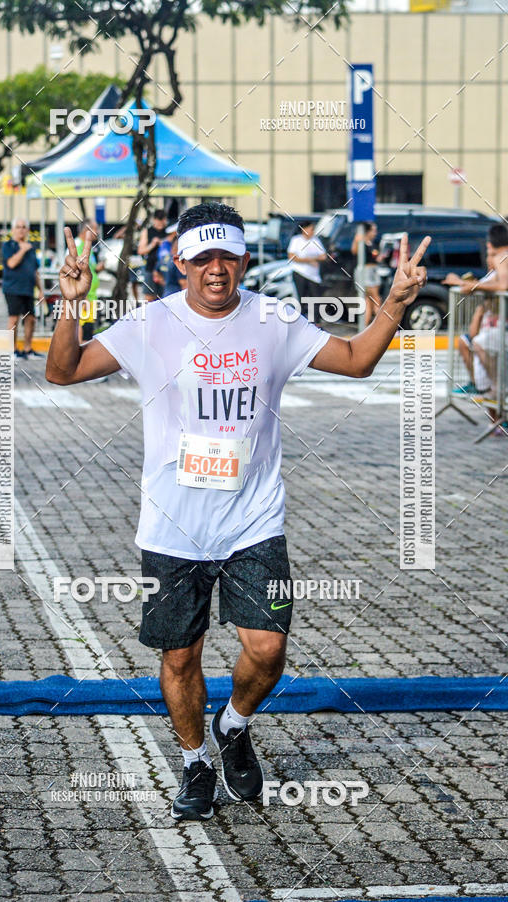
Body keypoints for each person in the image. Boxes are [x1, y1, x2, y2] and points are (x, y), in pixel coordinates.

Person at [46, 203, 429, 822]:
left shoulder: (274, 320)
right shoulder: (150, 323)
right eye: (203, 259)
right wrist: (71, 303)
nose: (216, 270)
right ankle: (196, 761)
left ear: (245, 260)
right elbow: (61, 371)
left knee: (268, 648)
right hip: (173, 525)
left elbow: (357, 359)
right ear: (180, 263)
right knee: (179, 657)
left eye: (227, 257)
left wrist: (396, 303)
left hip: (254, 521)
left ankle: (233, 724)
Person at [444, 222, 508, 396]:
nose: (489, 261)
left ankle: (499, 391)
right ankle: (494, 395)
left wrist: (467, 285)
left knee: (479, 344)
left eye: (489, 255)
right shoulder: (499, 263)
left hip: (497, 332)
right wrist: (465, 284)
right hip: (491, 330)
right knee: (471, 342)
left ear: (490, 245)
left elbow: (502, 285)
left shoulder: (502, 256)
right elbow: (493, 283)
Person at [2, 217, 45, 359]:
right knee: (14, 319)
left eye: (24, 227)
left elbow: (35, 271)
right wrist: (22, 250)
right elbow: (12, 264)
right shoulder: (8, 246)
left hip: (28, 289)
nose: (21, 229)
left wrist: (40, 290)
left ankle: (27, 349)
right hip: (12, 288)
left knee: (31, 319)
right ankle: (12, 350)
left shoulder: (31, 248)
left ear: (27, 230)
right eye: (18, 227)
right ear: (13, 229)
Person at [287, 220, 327, 319]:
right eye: (311, 229)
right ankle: (302, 320)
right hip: (300, 272)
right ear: (304, 229)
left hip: (313, 275)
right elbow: (292, 256)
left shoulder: (315, 240)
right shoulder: (296, 240)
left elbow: (323, 256)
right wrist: (309, 260)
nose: (313, 231)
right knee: (302, 298)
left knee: (316, 298)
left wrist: (313, 259)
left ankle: (316, 321)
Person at [76, 218, 105, 342]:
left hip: (91, 296)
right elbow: (76, 272)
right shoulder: (78, 246)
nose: (97, 232)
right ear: (87, 230)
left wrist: (99, 268)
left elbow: (89, 269)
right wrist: (83, 297)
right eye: (95, 229)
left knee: (88, 330)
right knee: (82, 328)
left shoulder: (88, 248)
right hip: (85, 296)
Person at [351, 221, 381, 326]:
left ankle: (365, 326)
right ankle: (382, 326)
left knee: (368, 301)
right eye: (373, 230)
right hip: (367, 272)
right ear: (367, 231)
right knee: (376, 298)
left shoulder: (373, 243)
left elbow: (375, 257)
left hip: (373, 270)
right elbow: (354, 251)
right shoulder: (361, 241)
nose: (375, 233)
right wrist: (356, 240)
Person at [137, 209, 168, 301]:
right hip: (151, 267)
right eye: (159, 220)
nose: (161, 224)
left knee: (166, 297)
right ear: (154, 220)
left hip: (165, 269)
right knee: (150, 297)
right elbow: (141, 251)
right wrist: (152, 245)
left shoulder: (169, 231)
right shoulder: (147, 231)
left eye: (163, 221)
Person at [154, 223, 187, 298]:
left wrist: (166, 283)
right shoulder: (178, 262)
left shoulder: (163, 258)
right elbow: (184, 284)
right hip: (177, 297)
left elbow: (155, 273)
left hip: (166, 295)